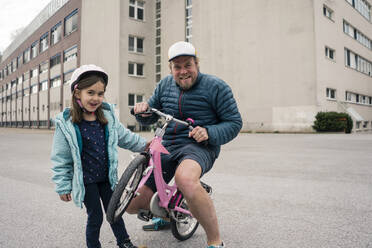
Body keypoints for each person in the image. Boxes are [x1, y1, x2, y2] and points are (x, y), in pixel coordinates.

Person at [127, 41, 242, 248]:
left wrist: (208, 132)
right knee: (133, 203)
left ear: (197, 64)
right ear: (171, 69)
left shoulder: (216, 86)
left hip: (199, 145)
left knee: (185, 179)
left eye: (188, 65)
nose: (183, 71)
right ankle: (164, 216)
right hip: (168, 143)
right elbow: (149, 117)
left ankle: (215, 241)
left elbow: (234, 123)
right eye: (177, 67)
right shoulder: (164, 85)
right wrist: (142, 110)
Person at [51, 64, 148, 248]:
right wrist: (63, 185)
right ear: (77, 93)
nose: (96, 98)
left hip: (107, 178)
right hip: (87, 181)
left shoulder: (107, 118)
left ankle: (124, 242)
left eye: (100, 93)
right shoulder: (67, 124)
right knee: (95, 216)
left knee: (115, 211)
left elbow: (125, 137)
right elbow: (61, 158)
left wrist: (145, 144)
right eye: (91, 92)